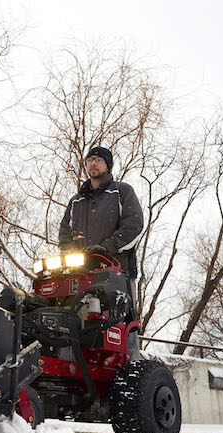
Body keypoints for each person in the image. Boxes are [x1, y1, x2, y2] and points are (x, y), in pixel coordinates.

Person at [59, 146, 143, 359]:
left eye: (98, 160)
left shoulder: (122, 192)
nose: (93, 163)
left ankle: (131, 365)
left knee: (122, 322)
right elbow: (64, 232)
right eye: (89, 160)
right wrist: (71, 254)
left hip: (117, 272)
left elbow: (134, 225)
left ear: (108, 165)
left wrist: (108, 247)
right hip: (81, 273)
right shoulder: (76, 201)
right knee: (75, 321)